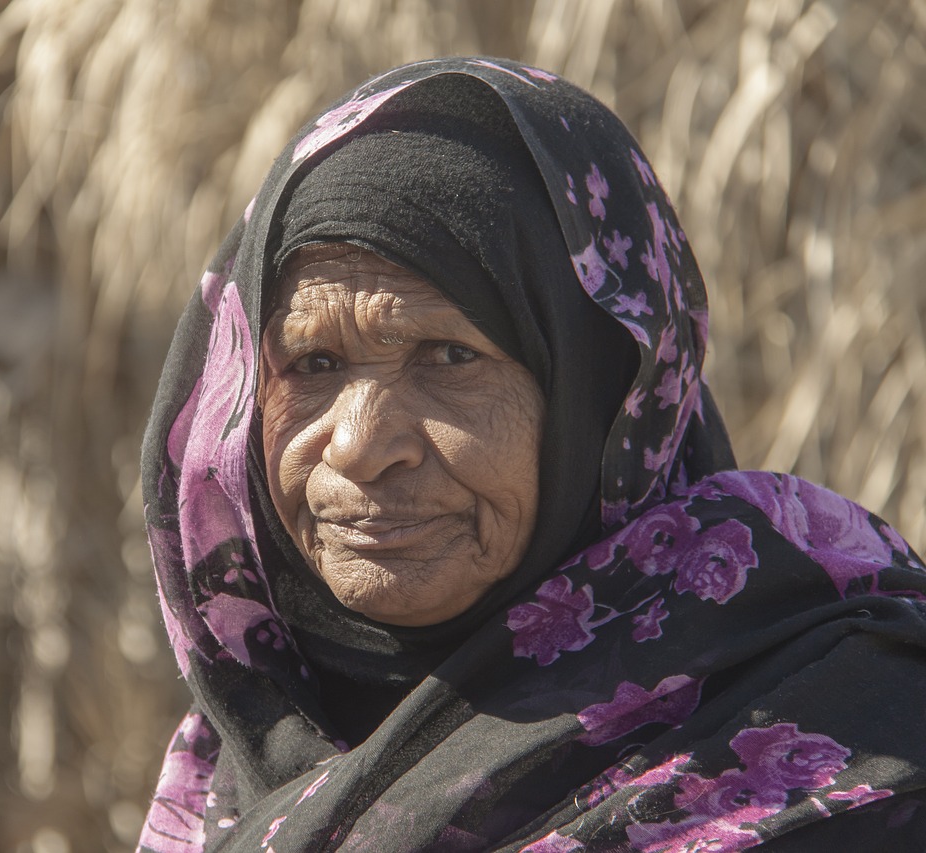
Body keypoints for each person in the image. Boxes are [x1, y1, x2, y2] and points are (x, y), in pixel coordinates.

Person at [136, 58, 926, 852]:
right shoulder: (233, 761)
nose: (361, 445)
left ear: (603, 394)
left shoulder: (855, 740)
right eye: (313, 364)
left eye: (448, 358)